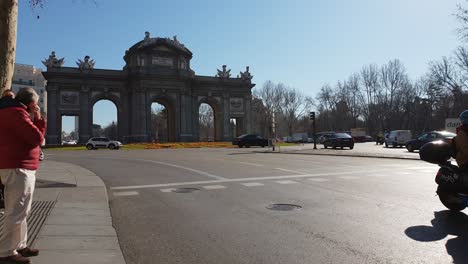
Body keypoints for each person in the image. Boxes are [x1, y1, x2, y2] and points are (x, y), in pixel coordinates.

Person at [0, 88, 46, 264]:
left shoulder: (9, 110)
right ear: (32, 103)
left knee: (21, 210)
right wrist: (39, 119)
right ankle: (6, 252)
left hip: (15, 165)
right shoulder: (18, 113)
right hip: (19, 167)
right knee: (16, 211)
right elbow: (37, 138)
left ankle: (20, 245)